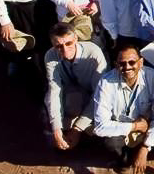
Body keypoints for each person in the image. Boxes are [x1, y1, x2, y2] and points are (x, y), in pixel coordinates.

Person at [92, 42, 154, 172]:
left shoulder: (153, 78)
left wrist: (145, 147)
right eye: (122, 63)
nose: (127, 67)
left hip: (144, 132)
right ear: (116, 65)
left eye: (132, 62)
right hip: (120, 131)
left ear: (141, 63)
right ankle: (124, 157)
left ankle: (137, 153)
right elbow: (99, 127)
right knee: (111, 144)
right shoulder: (105, 82)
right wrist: (134, 126)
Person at [44, 21, 108, 152]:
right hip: (73, 96)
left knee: (101, 125)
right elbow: (54, 91)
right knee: (48, 116)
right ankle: (65, 136)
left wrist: (77, 128)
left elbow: (100, 96)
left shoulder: (94, 53)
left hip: (94, 97)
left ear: (76, 39)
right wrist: (56, 128)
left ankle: (81, 134)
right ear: (53, 45)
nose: (65, 50)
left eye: (68, 43)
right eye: (59, 46)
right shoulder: (50, 56)